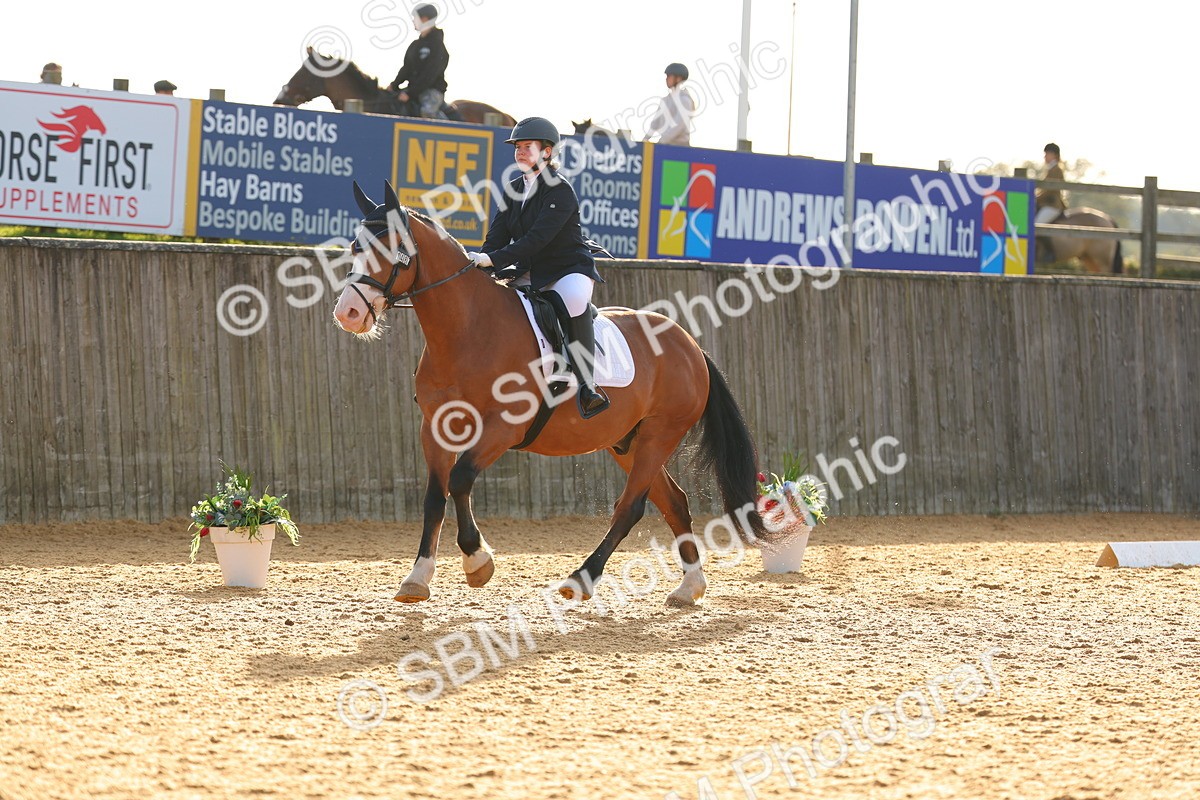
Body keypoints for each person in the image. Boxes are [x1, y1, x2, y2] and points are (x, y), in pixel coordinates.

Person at [467, 117, 611, 419]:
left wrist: (494, 261)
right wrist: (479, 263)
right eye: (517, 147)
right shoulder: (513, 188)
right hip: (530, 269)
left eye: (527, 147)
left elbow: (537, 239)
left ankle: (588, 385)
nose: (520, 152)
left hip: (567, 268)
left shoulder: (559, 190)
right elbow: (496, 236)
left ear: (547, 152)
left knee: (571, 300)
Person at [387, 3, 449, 120]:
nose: (413, 21)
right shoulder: (415, 45)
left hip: (431, 92)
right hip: (413, 90)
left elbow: (429, 75)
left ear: (424, 19)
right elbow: (406, 69)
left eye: (415, 17)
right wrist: (394, 85)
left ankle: (447, 129)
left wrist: (410, 93)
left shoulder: (438, 46)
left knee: (427, 112)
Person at [647, 62, 696, 146]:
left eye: (669, 76)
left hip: (679, 148)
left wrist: (660, 142)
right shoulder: (665, 100)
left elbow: (677, 126)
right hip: (664, 146)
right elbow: (655, 123)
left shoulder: (685, 100)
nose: (666, 79)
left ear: (678, 78)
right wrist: (645, 140)